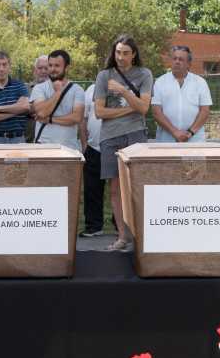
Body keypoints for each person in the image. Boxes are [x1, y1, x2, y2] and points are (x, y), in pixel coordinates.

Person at [93, 35, 152, 251]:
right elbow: (99, 112)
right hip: (109, 137)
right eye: (118, 52)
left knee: (137, 187)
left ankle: (140, 236)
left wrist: (124, 91)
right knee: (116, 190)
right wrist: (130, 107)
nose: (121, 57)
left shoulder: (144, 74)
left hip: (135, 134)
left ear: (134, 54)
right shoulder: (103, 76)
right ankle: (122, 236)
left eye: (126, 52)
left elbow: (144, 109)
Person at [152, 45, 211, 142]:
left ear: (189, 64)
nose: (177, 62)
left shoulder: (200, 82)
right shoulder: (160, 82)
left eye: (181, 59)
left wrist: (190, 133)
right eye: (174, 58)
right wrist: (174, 132)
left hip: (194, 139)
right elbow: (156, 112)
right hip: (166, 139)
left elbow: (205, 111)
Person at [30, 50, 86, 150]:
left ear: (67, 68)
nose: (52, 69)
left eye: (57, 66)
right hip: (43, 148)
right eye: (50, 65)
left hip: (69, 149)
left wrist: (50, 120)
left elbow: (76, 117)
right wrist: (58, 92)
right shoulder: (39, 88)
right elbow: (42, 112)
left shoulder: (77, 89)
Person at [0, 51, 30, 144]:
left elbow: (25, 107)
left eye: (4, 65)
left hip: (17, 138)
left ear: (9, 67)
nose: (1, 69)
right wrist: (15, 111)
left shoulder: (19, 85)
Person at [79, 83, 105, 237]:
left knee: (119, 190)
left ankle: (120, 226)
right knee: (91, 189)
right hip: (93, 147)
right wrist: (84, 144)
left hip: (117, 148)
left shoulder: (125, 89)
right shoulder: (91, 89)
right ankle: (94, 226)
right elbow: (83, 119)